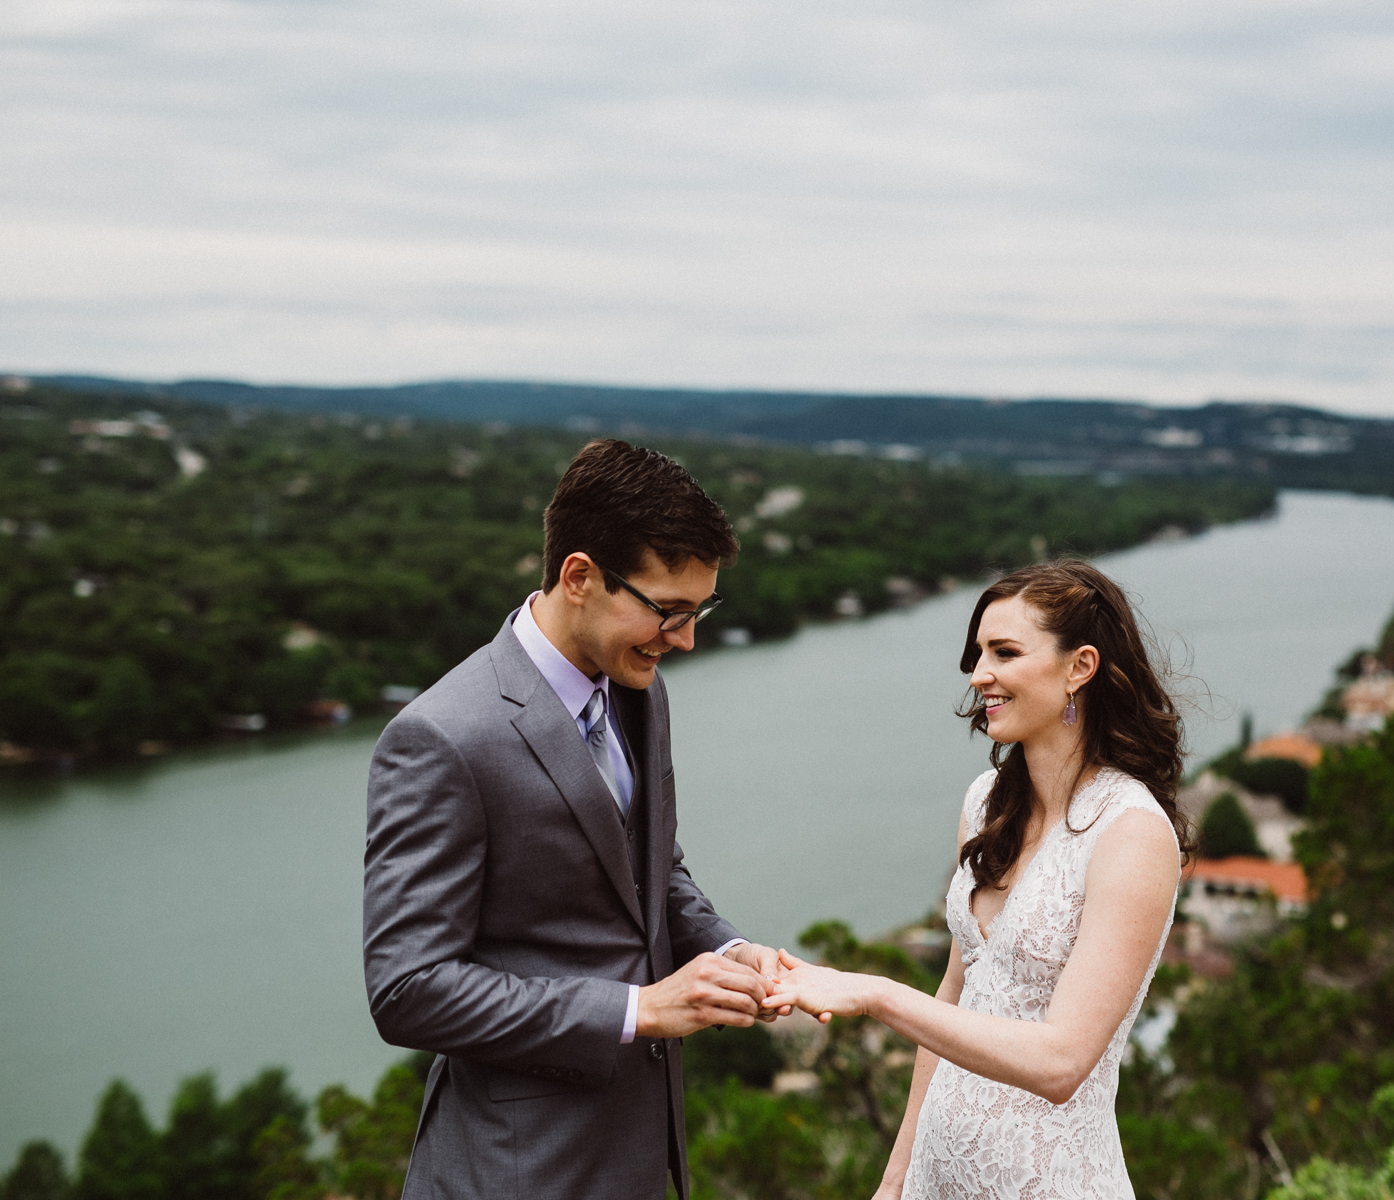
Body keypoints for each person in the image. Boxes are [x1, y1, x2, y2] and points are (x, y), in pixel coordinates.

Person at [362, 439, 788, 1200]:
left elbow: (652, 870)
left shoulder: (637, 686)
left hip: (638, 1157)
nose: (686, 639)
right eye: (669, 610)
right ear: (581, 577)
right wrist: (639, 1009)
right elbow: (409, 988)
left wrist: (730, 949)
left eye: (700, 611)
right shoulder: (443, 737)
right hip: (516, 1170)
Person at [768, 560, 1193, 1199]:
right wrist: (898, 1174)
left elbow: (1060, 1063)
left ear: (1080, 667)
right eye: (978, 653)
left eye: (1004, 652)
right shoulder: (985, 801)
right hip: (938, 1178)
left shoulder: (1131, 832)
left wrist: (878, 995)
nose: (979, 674)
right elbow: (957, 990)